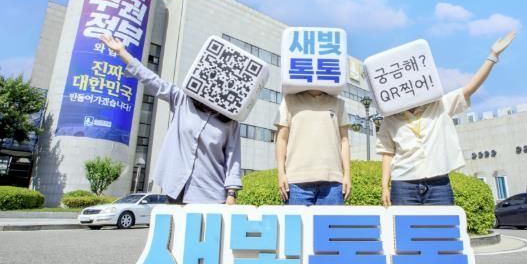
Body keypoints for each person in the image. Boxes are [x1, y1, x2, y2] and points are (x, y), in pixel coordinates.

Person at [377, 31, 517, 206]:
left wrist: (493, 56)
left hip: (438, 183)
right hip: (403, 184)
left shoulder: (440, 105)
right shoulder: (390, 119)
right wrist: (385, 186)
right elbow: (387, 153)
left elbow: (469, 89)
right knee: (406, 225)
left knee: (443, 224)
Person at [100, 34, 241, 205]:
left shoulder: (230, 121)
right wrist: (122, 52)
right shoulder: (182, 99)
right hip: (176, 188)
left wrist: (232, 194)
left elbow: (233, 158)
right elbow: (152, 80)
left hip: (212, 194)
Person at [275, 90, 351, 205]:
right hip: (296, 182)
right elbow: (281, 139)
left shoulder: (339, 103)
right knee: (297, 218)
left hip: (333, 181)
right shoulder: (288, 101)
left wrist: (347, 175)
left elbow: (344, 141)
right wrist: (281, 173)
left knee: (332, 218)